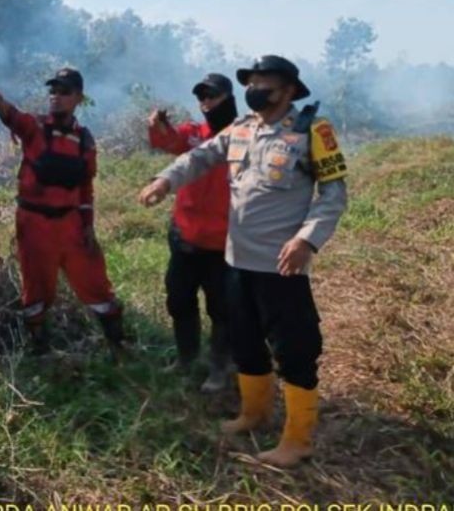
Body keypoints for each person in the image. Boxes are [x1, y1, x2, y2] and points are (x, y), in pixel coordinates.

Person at [139, 55, 348, 468]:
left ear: (288, 90)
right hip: (236, 261)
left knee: (294, 351)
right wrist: (165, 180)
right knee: (246, 343)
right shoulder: (241, 128)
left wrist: (307, 239)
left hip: (281, 266)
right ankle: (254, 414)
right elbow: (198, 158)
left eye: (263, 83)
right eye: (250, 83)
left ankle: (298, 440)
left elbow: (333, 195)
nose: (254, 90)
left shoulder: (312, 131)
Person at [0, 68, 124, 358]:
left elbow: (86, 187)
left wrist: (88, 226)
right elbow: (14, 117)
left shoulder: (84, 140)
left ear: (78, 98)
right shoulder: (34, 127)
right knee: (36, 289)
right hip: (33, 223)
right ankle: (40, 351)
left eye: (64, 92)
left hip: (71, 223)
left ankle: (118, 346)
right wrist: (0, 103)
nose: (56, 97)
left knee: (95, 284)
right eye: (53, 91)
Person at [147, 73, 237, 392]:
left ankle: (219, 367)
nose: (206, 102)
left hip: (224, 242)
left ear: (228, 97)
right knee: (179, 299)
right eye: (202, 97)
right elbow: (169, 142)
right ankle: (187, 359)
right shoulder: (194, 133)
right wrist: (158, 126)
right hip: (185, 237)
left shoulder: (244, 137)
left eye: (212, 95)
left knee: (222, 308)